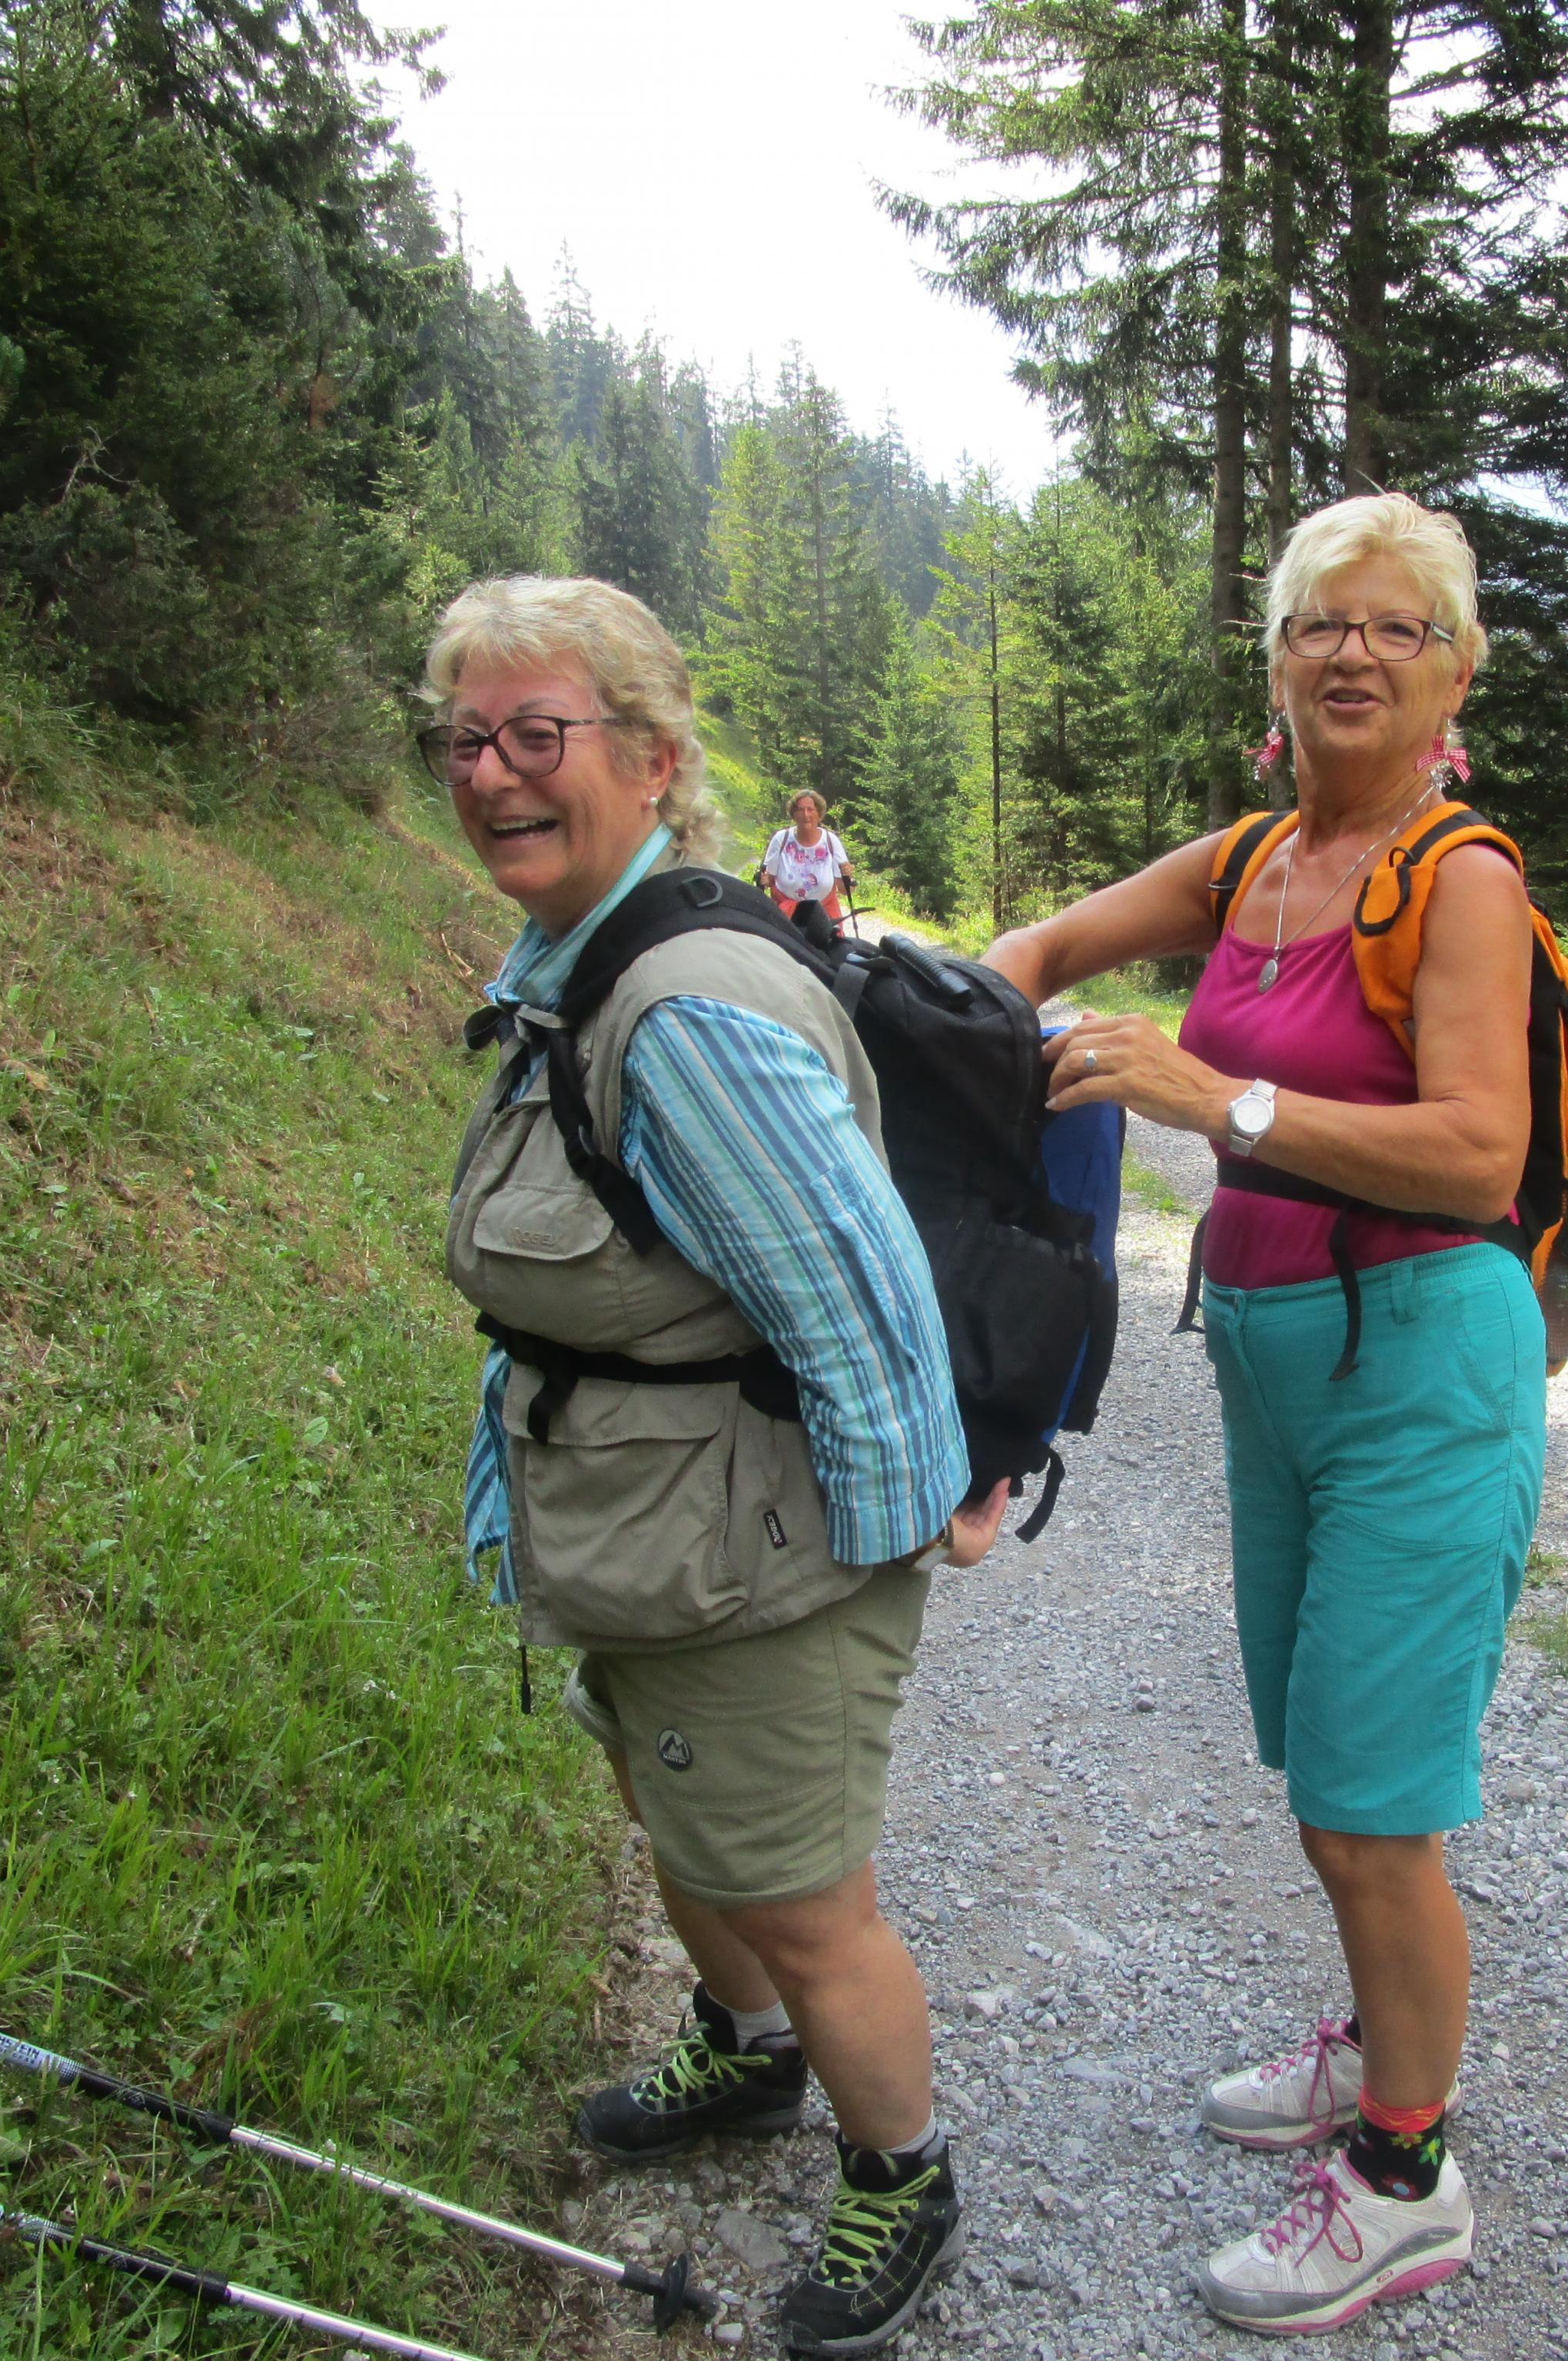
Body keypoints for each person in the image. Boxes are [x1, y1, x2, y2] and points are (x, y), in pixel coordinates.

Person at [425, 576, 1010, 2359]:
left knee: (806, 1897)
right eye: (466, 738)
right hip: (653, 1530)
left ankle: (902, 2172)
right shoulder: (579, 960)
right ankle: (748, 2054)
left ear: (654, 760)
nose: (494, 772)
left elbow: (863, 1315)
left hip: (757, 1561)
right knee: (684, 1817)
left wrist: (875, 1559)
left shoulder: (682, 1012)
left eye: (540, 733)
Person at [982, 492, 1541, 2336]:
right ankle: (1379, 2045)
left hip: (1425, 1369)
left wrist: (1217, 1103)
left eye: (1396, 627)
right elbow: (1043, 946)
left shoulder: (1458, 878)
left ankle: (1406, 2178)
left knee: (1379, 1803)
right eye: (1319, 623)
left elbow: (1478, 1154)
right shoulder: (1252, 860)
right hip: (1278, 1366)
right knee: (1322, 1765)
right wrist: (935, 1016)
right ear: (1279, 662)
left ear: (1452, 673)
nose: (1352, 653)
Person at [758, 791, 855, 926]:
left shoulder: (831, 841)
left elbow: (845, 890)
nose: (806, 815)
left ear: (819, 814)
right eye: (800, 810)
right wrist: (763, 879)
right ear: (794, 814)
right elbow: (770, 880)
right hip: (786, 917)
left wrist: (848, 877)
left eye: (810, 809)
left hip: (823, 918)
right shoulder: (781, 839)